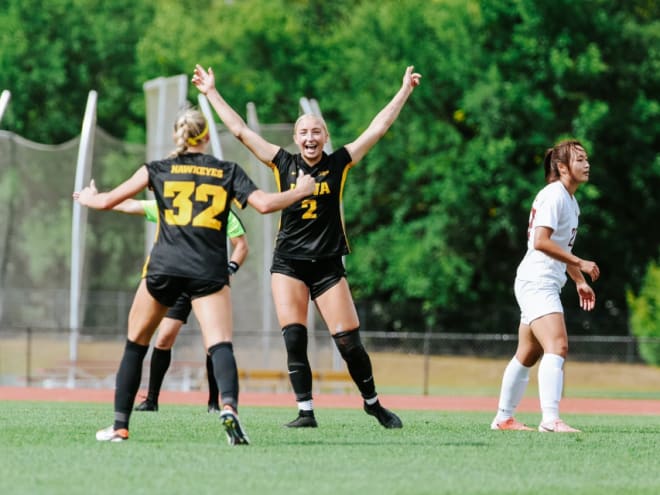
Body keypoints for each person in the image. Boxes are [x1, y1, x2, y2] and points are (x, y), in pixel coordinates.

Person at [192, 63, 421, 429]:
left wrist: (404, 90)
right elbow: (239, 130)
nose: (310, 137)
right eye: (304, 132)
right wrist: (211, 93)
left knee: (348, 343)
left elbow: (378, 128)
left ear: (325, 136)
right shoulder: (282, 162)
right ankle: (306, 412)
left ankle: (373, 403)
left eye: (316, 131)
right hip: (289, 265)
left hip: (328, 266)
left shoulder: (339, 163)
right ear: (296, 139)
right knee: (294, 337)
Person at [74, 106, 315, 444]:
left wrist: (88, 196)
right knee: (220, 345)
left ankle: (119, 425)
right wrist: (300, 192)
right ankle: (228, 407)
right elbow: (264, 204)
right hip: (208, 271)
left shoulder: (157, 169)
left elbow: (108, 201)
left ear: (178, 136)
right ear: (205, 137)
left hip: (164, 268)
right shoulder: (227, 171)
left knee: (135, 346)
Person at [490, 139, 599, 433]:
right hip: (538, 282)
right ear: (562, 167)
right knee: (558, 345)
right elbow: (540, 242)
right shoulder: (555, 196)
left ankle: (503, 418)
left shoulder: (570, 200)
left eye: (586, 159)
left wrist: (578, 281)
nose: (586, 164)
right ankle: (550, 420)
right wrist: (582, 263)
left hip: (540, 280)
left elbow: (557, 246)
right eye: (579, 160)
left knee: (528, 352)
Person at [107, 192, 249, 413]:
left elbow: (241, 245)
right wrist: (102, 198)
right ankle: (152, 400)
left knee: (213, 344)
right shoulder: (172, 206)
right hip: (178, 280)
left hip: (207, 280)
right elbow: (131, 204)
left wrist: (230, 268)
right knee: (163, 338)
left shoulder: (219, 208)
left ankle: (214, 402)